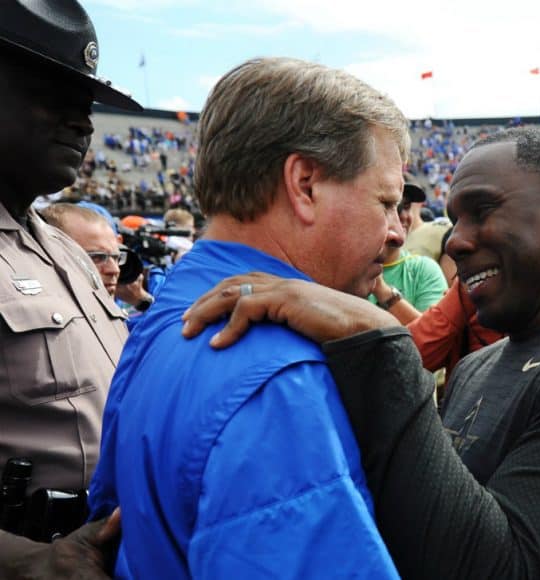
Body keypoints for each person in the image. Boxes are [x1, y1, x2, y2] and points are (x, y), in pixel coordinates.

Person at [183, 127, 540, 579]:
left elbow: (491, 571)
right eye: (455, 219)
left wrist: (378, 340)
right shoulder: (478, 365)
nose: (455, 241)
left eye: (481, 211)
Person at [88, 57, 405, 577]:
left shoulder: (167, 311)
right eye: (385, 201)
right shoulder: (279, 381)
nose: (395, 233)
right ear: (304, 184)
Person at [0, 0, 136, 572]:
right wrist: (28, 562)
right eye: (55, 96)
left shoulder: (67, 252)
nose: (84, 123)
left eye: (87, 105)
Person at [40, 203, 154, 312]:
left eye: (117, 257)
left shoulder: (149, 279)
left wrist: (140, 301)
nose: (115, 270)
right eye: (97, 257)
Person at [368, 182, 448, 323]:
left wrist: (382, 290)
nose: (404, 216)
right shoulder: (345, 268)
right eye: (390, 206)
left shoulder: (423, 270)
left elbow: (434, 336)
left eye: (406, 207)